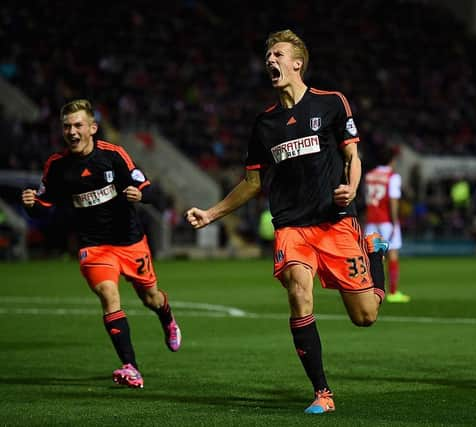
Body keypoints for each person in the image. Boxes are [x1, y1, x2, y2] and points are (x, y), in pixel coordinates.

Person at [185, 29, 388, 414]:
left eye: (278, 54)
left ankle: (374, 253)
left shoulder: (330, 103)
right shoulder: (264, 125)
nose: (270, 61)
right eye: (268, 56)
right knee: (298, 291)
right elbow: (252, 182)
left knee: (365, 317)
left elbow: (353, 156)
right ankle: (322, 393)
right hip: (292, 226)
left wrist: (352, 187)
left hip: (335, 222)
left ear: (298, 63)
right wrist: (211, 214)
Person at [21, 99, 181, 389]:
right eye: (67, 126)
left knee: (151, 297)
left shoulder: (113, 155)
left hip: (130, 241)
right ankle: (131, 367)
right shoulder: (56, 166)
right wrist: (33, 204)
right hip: (94, 246)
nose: (72, 131)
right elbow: (45, 205)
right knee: (109, 295)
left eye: (78, 125)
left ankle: (166, 315)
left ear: (92, 128)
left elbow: (143, 185)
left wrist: (138, 194)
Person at [364, 145, 410, 302]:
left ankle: (368, 290)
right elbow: (393, 201)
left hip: (371, 221)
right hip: (386, 222)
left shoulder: (369, 175)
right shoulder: (393, 177)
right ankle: (393, 292)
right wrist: (395, 222)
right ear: (392, 160)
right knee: (392, 255)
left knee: (372, 258)